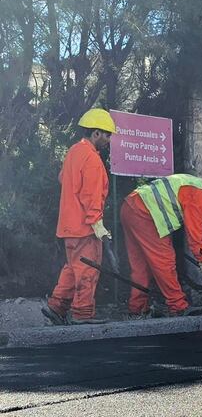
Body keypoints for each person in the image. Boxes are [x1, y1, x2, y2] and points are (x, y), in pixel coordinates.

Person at [120, 168, 202, 318]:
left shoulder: (193, 184)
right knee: (165, 261)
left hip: (130, 207)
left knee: (140, 266)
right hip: (146, 215)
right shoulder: (199, 195)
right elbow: (195, 233)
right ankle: (178, 307)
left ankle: (137, 310)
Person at [41, 108, 116, 325]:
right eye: (107, 135)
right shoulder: (92, 159)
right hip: (85, 227)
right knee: (88, 269)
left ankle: (56, 308)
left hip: (68, 226)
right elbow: (90, 195)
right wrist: (97, 224)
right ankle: (83, 314)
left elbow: (63, 179)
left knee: (73, 268)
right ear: (96, 133)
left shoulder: (73, 152)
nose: (109, 140)